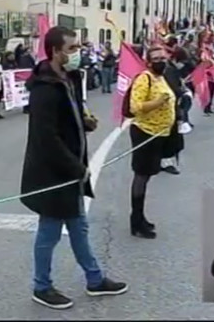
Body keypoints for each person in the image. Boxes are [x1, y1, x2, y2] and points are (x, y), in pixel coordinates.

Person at [21, 26, 127, 310]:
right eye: (71, 49)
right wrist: (74, 168)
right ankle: (41, 286)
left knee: (79, 227)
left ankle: (94, 279)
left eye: (78, 48)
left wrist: (84, 123)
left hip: (70, 170)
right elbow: (46, 137)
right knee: (50, 232)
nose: (77, 53)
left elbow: (69, 117)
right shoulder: (44, 89)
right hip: (54, 174)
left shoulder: (67, 78)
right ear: (55, 51)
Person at [128, 45, 176, 239]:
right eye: (156, 58)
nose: (160, 61)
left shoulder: (161, 78)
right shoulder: (144, 78)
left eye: (163, 58)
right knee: (141, 176)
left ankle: (141, 217)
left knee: (147, 176)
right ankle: (136, 222)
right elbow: (135, 107)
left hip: (159, 134)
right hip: (145, 133)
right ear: (148, 61)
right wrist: (158, 102)